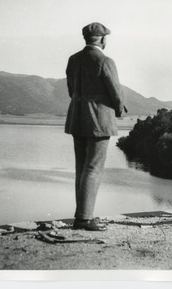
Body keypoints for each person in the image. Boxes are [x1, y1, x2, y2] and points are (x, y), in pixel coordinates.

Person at [64, 22, 125, 231]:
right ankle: (84, 218)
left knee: (81, 168)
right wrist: (119, 109)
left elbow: (71, 90)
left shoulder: (73, 60)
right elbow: (115, 91)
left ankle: (81, 214)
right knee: (94, 168)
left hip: (77, 116)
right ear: (102, 39)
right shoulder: (105, 60)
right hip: (99, 119)